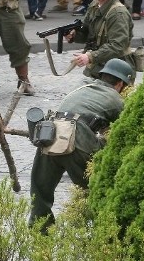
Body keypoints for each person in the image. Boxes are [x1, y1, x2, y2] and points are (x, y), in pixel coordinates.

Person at [28, 58, 133, 228]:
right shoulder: (116, 100)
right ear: (121, 83)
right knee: (97, 186)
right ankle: (107, 229)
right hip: (76, 139)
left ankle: (39, 230)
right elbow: (123, 132)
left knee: (40, 189)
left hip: (49, 133)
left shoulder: (83, 85)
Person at [65, 0, 135, 78]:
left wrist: (90, 56)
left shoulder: (118, 13)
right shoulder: (94, 5)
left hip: (117, 69)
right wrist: (74, 35)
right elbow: (88, 33)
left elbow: (117, 46)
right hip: (98, 66)